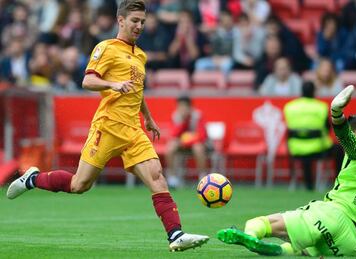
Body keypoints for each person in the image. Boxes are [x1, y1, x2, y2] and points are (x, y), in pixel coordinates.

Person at [7, 0, 209, 252]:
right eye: (135, 21)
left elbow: (136, 90)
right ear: (121, 20)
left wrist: (147, 116)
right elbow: (88, 80)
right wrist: (112, 85)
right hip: (108, 126)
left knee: (157, 176)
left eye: (143, 22)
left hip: (133, 129)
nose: (139, 26)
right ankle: (33, 179)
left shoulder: (140, 55)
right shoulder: (106, 48)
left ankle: (175, 234)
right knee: (79, 185)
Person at [217, 85, 356, 257]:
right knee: (301, 250)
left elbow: (344, 135)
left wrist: (336, 112)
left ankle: (251, 236)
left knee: (258, 223)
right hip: (350, 241)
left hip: (332, 216)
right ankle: (278, 251)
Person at [283, 81, 334, 190]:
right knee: (339, 149)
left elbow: (289, 128)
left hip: (296, 149)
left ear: (301, 91)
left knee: (305, 154)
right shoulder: (321, 107)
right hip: (318, 148)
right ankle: (339, 182)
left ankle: (307, 184)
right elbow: (328, 128)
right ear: (314, 91)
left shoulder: (290, 107)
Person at [165, 95, 208, 188]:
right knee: (170, 147)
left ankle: (203, 178)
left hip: (197, 144)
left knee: (198, 148)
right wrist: (182, 122)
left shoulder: (198, 116)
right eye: (179, 106)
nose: (182, 109)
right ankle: (172, 178)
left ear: (190, 107)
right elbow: (173, 135)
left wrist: (186, 141)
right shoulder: (176, 116)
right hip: (182, 144)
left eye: (184, 106)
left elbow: (202, 136)